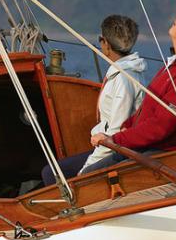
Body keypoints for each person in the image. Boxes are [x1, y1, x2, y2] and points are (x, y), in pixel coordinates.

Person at [90, 0, 176, 156]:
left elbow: (161, 126)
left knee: (65, 175)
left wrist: (115, 140)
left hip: (162, 152)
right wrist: (128, 125)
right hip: (146, 145)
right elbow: (152, 107)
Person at [51, 15, 146, 181]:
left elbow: (115, 133)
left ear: (106, 44)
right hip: (109, 145)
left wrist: (87, 168)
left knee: (53, 173)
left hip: (118, 150)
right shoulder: (125, 73)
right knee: (57, 169)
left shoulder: (124, 79)